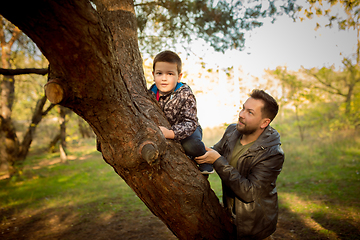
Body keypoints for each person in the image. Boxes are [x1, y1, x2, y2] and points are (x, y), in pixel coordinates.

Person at [195, 89, 284, 240]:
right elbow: (216, 151)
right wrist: (192, 147)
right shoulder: (232, 131)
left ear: (264, 123)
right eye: (243, 108)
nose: (241, 114)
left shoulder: (272, 154)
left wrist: (217, 161)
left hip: (254, 226)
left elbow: (250, 193)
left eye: (250, 112)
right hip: (229, 216)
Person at [149, 50, 214, 174]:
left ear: (179, 77)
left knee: (191, 144)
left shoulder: (185, 93)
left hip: (189, 129)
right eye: (159, 73)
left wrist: (171, 133)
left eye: (170, 74)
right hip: (166, 130)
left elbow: (190, 122)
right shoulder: (151, 92)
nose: (164, 78)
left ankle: (204, 158)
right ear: (153, 74)